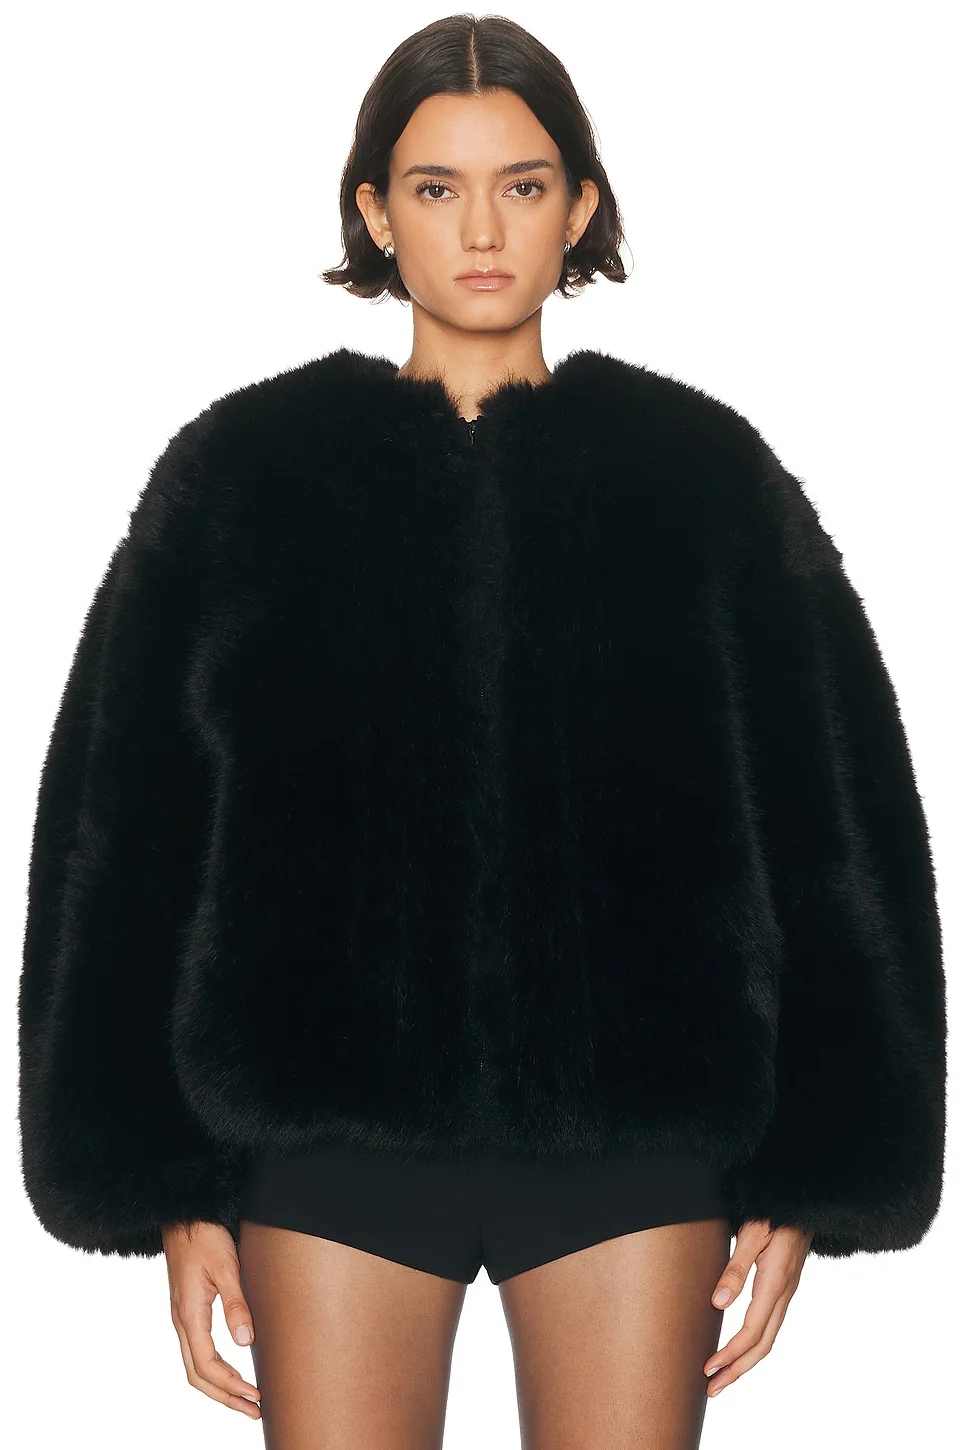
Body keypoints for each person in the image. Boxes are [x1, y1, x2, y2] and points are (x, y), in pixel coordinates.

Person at [17, 13, 946, 1449]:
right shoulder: (244, 482)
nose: (480, 230)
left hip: (636, 1141)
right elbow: (120, 834)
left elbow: (837, 827)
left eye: (521, 183)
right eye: (435, 187)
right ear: (375, 213)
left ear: (579, 206)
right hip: (326, 1141)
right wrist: (163, 1184)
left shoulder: (701, 483)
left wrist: (818, 1168)